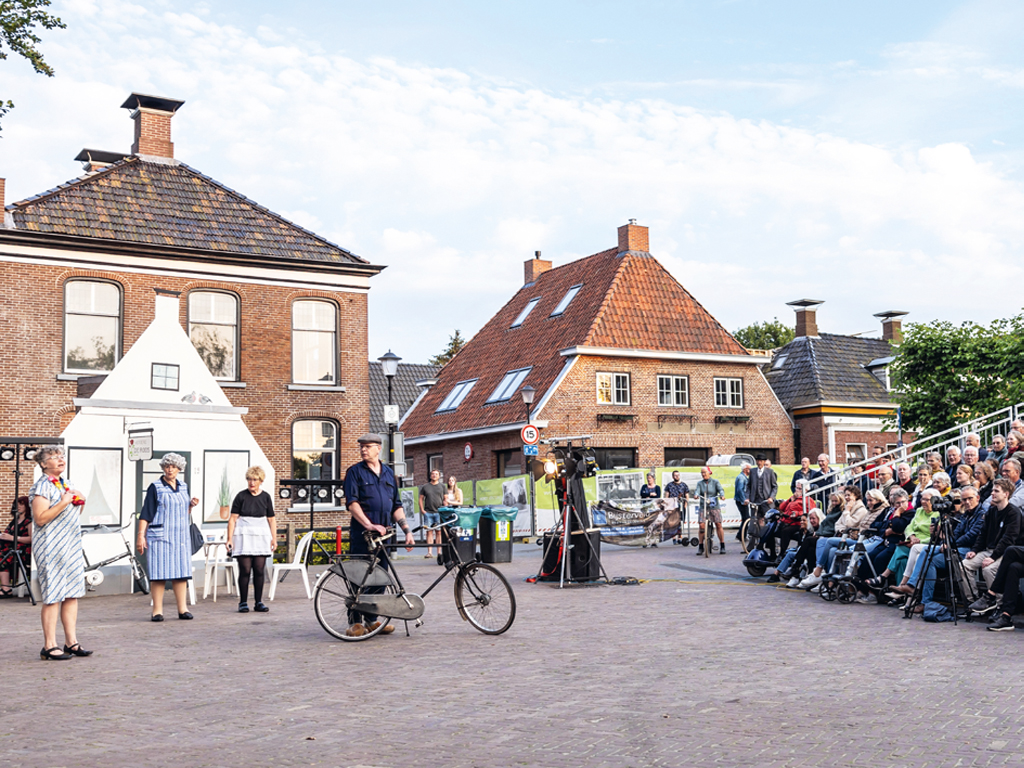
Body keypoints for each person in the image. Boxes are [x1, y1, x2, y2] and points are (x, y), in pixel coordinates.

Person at [342, 433, 415, 637]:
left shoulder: (389, 473)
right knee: (359, 577)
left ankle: (372, 619)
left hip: (385, 536)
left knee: (381, 577)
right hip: (363, 534)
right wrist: (369, 524)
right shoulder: (354, 472)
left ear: (378, 449)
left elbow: (396, 506)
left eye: (368, 446)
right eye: (361, 447)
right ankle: (355, 621)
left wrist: (407, 531)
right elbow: (352, 503)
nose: (363, 450)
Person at [28, 445, 91, 660]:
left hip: (71, 545)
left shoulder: (67, 484)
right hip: (51, 546)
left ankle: (71, 642)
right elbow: (40, 518)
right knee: (53, 595)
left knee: (71, 594)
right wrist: (64, 502)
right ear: (44, 464)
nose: (60, 459)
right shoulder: (42, 487)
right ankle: (49, 645)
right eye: (54, 457)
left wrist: (80, 501)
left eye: (62, 456)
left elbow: (75, 511)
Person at [138, 453, 199, 622]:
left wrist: (191, 505)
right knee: (159, 573)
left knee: (181, 572)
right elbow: (146, 513)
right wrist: (140, 535)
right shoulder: (155, 487)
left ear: (179, 469)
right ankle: (157, 611)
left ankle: (183, 609)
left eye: (173, 466)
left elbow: (181, 512)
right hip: (160, 536)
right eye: (167, 466)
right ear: (163, 468)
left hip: (180, 536)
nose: (170, 469)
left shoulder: (184, 487)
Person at [961, 477, 1022, 611]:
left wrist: (993, 557)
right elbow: (982, 534)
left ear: (1006, 494)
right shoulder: (991, 512)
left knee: (989, 569)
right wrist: (975, 550)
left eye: (996, 491)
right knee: (964, 565)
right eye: (992, 490)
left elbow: (1009, 539)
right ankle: (974, 602)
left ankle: (999, 606)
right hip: (987, 550)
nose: (992, 493)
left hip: (1004, 553)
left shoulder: (1014, 513)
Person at [226, 466, 276, 613]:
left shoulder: (266, 497)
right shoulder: (241, 496)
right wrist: (229, 539)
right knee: (245, 569)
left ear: (260, 481)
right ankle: (242, 602)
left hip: (261, 535)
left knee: (259, 569)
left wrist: (274, 539)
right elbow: (232, 519)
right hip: (243, 535)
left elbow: (271, 519)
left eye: (255, 480)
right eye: (249, 479)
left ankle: (259, 602)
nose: (251, 482)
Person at [0, 496, 32, 598]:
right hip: (11, 548)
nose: (18, 506)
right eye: (16, 504)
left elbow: (31, 538)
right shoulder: (14, 521)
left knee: (2, 555)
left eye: (21, 504)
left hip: (24, 550)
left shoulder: (29, 521)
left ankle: (6, 589)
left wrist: (14, 538)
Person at [692, 467, 726, 555]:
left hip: (714, 506)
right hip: (704, 506)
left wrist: (722, 495)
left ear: (709, 473)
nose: (703, 474)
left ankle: (722, 545)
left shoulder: (715, 482)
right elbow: (697, 491)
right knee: (701, 525)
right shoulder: (700, 483)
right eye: (702, 473)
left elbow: (720, 490)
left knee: (718, 524)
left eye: (704, 472)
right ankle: (700, 546)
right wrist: (696, 495)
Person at [419, 469, 445, 560]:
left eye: (436, 474)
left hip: (439, 513)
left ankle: (439, 552)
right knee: (429, 532)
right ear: (430, 476)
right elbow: (421, 499)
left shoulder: (442, 486)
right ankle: (429, 552)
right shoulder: (425, 487)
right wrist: (422, 510)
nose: (434, 475)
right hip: (428, 513)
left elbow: (445, 499)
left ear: (439, 476)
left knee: (439, 532)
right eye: (432, 474)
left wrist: (444, 510)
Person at [748, 453, 777, 519]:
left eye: (761, 461)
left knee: (767, 519)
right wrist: (747, 497)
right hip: (755, 501)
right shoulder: (752, 471)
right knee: (754, 520)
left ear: (764, 462)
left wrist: (771, 497)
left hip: (766, 500)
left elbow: (774, 486)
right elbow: (748, 486)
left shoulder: (770, 472)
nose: (759, 463)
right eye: (758, 461)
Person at [664, 471, 690, 541]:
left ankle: (679, 537)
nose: (677, 476)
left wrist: (685, 505)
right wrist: (667, 506)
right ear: (673, 477)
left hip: (681, 506)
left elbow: (687, 495)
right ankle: (673, 537)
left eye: (678, 475)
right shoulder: (669, 485)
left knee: (680, 522)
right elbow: (666, 496)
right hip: (672, 506)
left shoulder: (684, 485)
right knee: (672, 522)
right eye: (675, 475)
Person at [732, 464, 750, 541]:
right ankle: (741, 536)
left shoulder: (742, 477)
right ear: (745, 469)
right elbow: (740, 490)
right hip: (741, 501)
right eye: (749, 469)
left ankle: (740, 535)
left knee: (745, 518)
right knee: (746, 518)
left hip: (741, 500)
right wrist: (744, 500)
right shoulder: (742, 478)